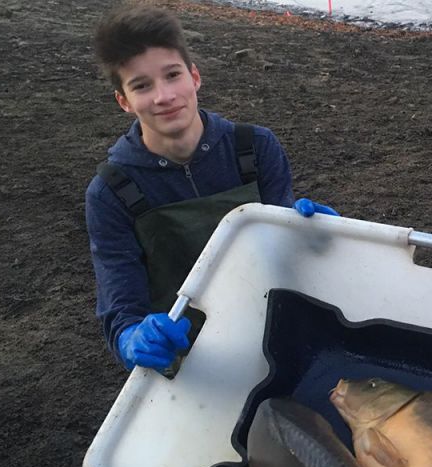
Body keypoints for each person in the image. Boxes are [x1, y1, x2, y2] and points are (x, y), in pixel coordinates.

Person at [86, 4, 336, 374]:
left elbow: (280, 255)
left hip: (270, 330)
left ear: (195, 77)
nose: (164, 96)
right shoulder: (110, 192)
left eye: (172, 75)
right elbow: (121, 307)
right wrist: (132, 339)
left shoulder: (255, 148)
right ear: (124, 100)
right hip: (188, 356)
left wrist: (317, 239)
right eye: (142, 85)